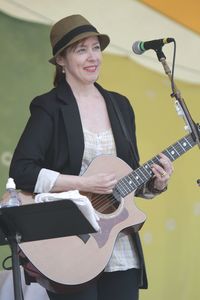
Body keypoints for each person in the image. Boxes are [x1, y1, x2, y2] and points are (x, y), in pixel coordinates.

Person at [9, 14, 174, 300]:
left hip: (119, 247)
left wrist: (155, 184)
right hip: (71, 245)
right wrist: (85, 183)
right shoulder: (49, 106)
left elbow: (127, 175)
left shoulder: (121, 105)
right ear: (61, 60)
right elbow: (22, 171)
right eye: (80, 49)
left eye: (96, 48)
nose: (92, 57)